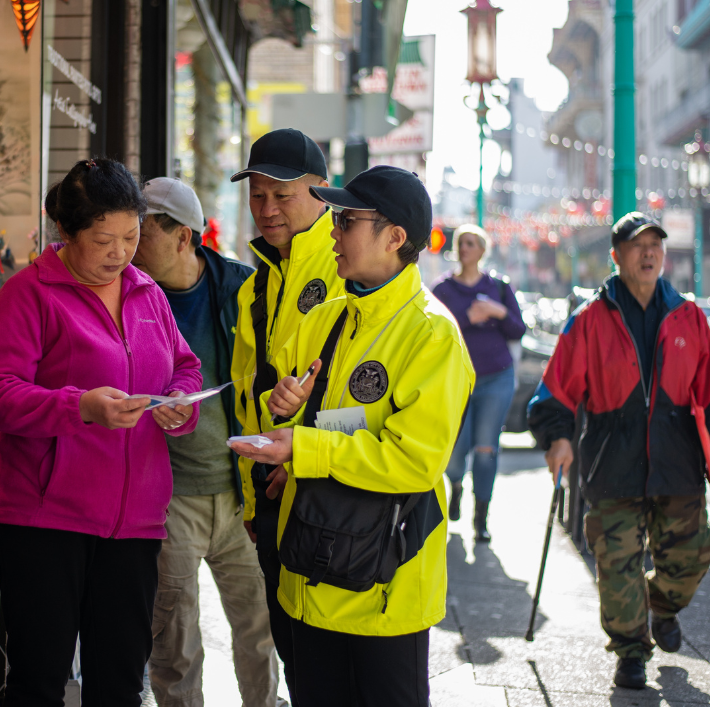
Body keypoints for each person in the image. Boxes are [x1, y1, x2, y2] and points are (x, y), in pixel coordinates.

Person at [230, 166, 474, 706]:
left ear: (394, 238)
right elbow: (300, 419)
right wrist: (287, 411)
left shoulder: (432, 334)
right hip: (308, 572)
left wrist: (302, 447)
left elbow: (413, 461)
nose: (333, 233)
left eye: (347, 220)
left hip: (383, 586)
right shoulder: (327, 316)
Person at [0, 159, 202, 707]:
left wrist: (179, 403)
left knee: (120, 683)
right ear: (66, 232)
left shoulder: (147, 294)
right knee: (39, 679)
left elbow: (185, 368)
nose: (120, 252)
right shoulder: (28, 294)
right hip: (43, 518)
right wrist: (81, 408)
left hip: (135, 522)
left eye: (131, 236)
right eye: (104, 239)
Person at [529, 212, 710, 691]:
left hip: (679, 462)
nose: (648, 252)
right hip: (613, 460)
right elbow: (554, 391)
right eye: (637, 245)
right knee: (616, 565)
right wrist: (559, 436)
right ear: (616, 255)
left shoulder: (690, 317)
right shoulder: (590, 320)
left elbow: (708, 395)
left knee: (692, 557)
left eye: (656, 244)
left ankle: (663, 606)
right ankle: (631, 650)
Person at [132, 177, 280, 706]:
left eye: (141, 231)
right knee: (174, 644)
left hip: (244, 494)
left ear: (182, 237)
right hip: (170, 496)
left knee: (260, 633)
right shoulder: (126, 295)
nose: (128, 242)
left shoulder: (245, 289)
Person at [230, 128, 346, 703]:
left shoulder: (349, 261)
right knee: (293, 652)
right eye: (257, 196)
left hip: (330, 499)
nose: (267, 209)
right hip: (273, 502)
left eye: (282, 195)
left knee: (329, 662)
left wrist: (302, 450)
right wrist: (253, 502)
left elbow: (369, 392)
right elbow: (250, 398)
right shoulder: (257, 283)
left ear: (320, 190)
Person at [431, 225, 526, 542]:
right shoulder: (443, 289)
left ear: (482, 250)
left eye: (471, 243)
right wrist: (469, 316)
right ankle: (456, 485)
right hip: (458, 379)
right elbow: (434, 329)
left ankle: (480, 519)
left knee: (486, 449)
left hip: (497, 377)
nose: (465, 247)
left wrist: (497, 311)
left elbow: (517, 329)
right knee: (455, 450)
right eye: (461, 243)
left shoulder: (498, 287)